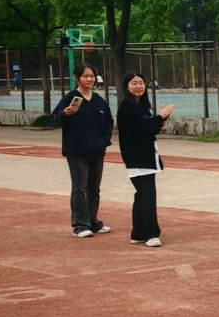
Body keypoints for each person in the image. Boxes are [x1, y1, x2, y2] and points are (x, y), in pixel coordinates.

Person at [51, 64, 114, 238]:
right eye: (85, 76)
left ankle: (92, 221)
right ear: (76, 78)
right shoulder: (70, 98)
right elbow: (54, 120)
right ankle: (80, 225)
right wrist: (65, 114)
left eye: (91, 76)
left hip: (97, 152)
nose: (89, 79)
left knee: (94, 188)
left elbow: (109, 122)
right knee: (80, 188)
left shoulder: (99, 101)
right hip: (76, 152)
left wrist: (103, 142)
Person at [117, 71, 175, 247]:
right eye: (134, 83)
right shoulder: (127, 107)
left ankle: (138, 232)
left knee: (142, 195)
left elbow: (148, 129)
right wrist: (159, 117)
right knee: (148, 195)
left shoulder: (141, 106)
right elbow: (141, 130)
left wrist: (159, 121)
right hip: (138, 158)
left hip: (147, 157)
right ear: (127, 87)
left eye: (141, 83)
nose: (138, 86)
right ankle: (151, 234)